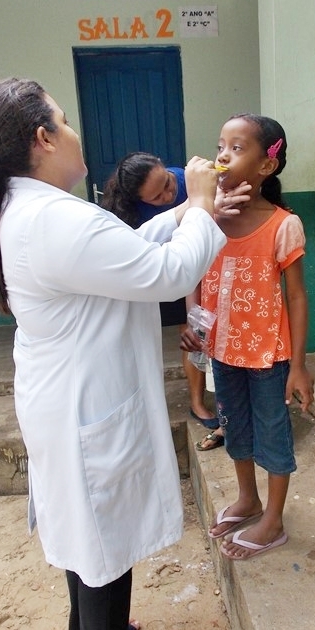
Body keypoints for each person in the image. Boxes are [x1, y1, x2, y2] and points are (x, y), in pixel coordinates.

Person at [0, 77, 229, 630]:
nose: (75, 130)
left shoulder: (34, 211)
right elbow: (165, 273)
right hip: (82, 400)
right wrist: (196, 204)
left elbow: (123, 252)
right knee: (100, 531)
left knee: (85, 525)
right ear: (43, 137)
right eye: (64, 117)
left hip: (64, 393)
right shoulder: (52, 217)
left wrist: (195, 215)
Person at [182, 113, 315, 559]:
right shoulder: (209, 219)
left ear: (266, 166)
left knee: (273, 434)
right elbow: (194, 274)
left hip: (268, 356)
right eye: (221, 144)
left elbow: (296, 298)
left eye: (238, 148)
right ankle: (248, 499)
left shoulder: (282, 225)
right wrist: (195, 325)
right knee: (233, 425)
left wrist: (298, 366)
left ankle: (273, 520)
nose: (222, 155)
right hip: (223, 349)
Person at [101, 153, 220, 432]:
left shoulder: (189, 180)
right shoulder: (125, 212)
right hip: (150, 274)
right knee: (141, 335)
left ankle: (197, 402)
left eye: (168, 183)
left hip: (191, 267)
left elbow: (196, 251)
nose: (168, 195)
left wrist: (193, 310)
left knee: (190, 335)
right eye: (156, 198)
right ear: (139, 201)